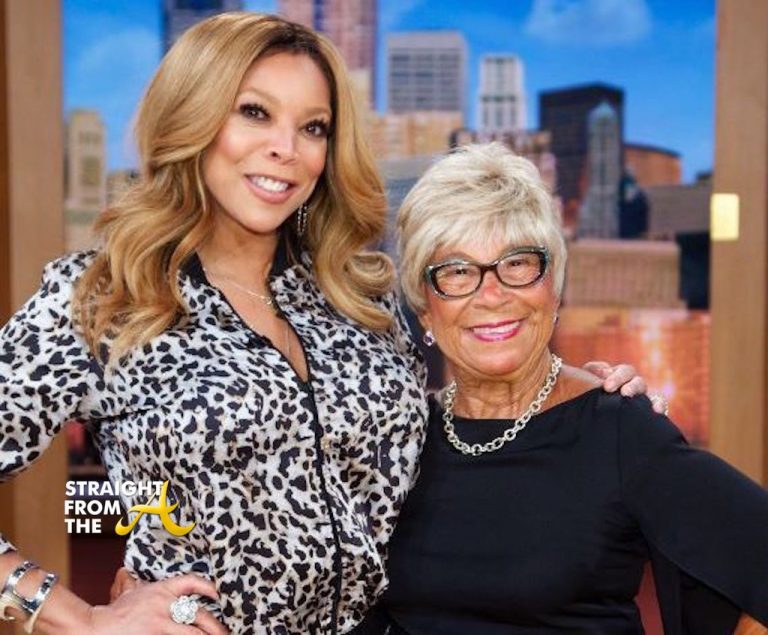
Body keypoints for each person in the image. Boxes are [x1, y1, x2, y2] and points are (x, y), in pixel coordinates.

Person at [0, 13, 653, 635]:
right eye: (254, 112)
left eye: (313, 127)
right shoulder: (106, 299)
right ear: (192, 117)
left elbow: (442, 446)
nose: (286, 149)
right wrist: (79, 618)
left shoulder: (360, 296)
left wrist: (580, 401)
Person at [353, 142, 768, 634]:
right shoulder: (399, 442)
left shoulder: (618, 429)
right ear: (425, 306)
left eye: (517, 263)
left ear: (553, 287)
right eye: (458, 271)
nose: (492, 295)